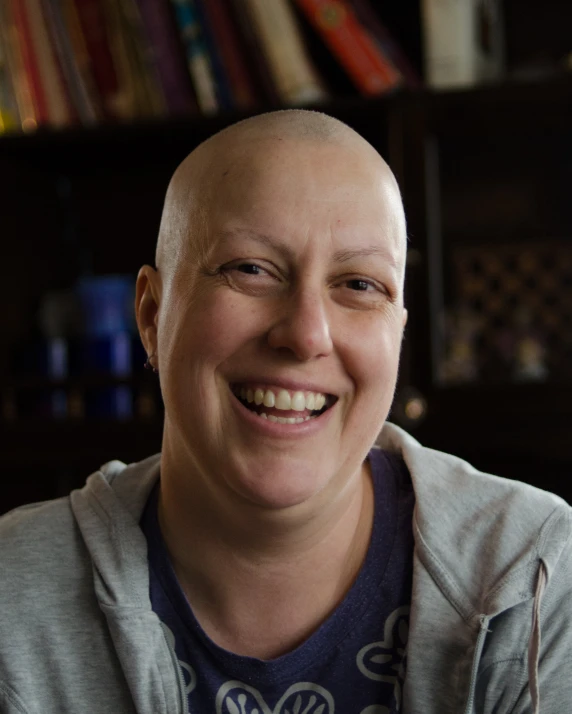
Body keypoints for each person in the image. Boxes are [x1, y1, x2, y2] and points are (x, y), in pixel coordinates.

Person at [1, 110, 571, 714]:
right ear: (151, 316)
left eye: (358, 285)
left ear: (398, 334)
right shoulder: (12, 597)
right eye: (250, 269)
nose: (305, 334)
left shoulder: (533, 574)